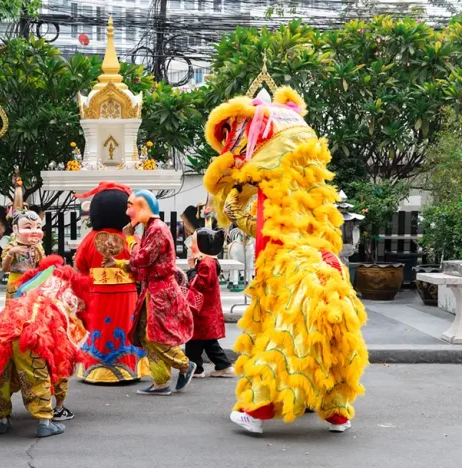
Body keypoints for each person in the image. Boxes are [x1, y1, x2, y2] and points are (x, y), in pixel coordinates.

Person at [202, 85, 368, 434]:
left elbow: (260, 225)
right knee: (333, 337)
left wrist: (233, 201)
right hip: (327, 261)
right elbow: (261, 223)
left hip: (289, 265)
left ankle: (257, 408)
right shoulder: (311, 198)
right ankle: (336, 411)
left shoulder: (271, 196)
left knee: (283, 334)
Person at [0, 256, 92, 438]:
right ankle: (45, 421)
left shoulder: (32, 286)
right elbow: (62, 363)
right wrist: (60, 403)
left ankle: (1, 419)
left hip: (8, 323)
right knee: (38, 372)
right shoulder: (68, 297)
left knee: (4, 373)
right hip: (35, 329)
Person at [104, 190, 195, 396]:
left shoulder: (158, 229)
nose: (128, 212)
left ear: (143, 208)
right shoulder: (149, 228)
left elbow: (142, 259)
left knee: (154, 336)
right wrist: (118, 262)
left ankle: (184, 364)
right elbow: (143, 266)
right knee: (145, 335)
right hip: (151, 291)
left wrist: (129, 239)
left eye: (131, 207)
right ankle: (161, 381)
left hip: (161, 292)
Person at [73, 182, 145, 384]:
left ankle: (96, 369)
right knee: (126, 328)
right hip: (127, 294)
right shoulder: (131, 239)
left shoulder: (89, 239)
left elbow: (80, 268)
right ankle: (127, 367)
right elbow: (141, 266)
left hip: (96, 294)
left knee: (99, 329)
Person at [185, 228, 233, 378]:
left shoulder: (206, 263)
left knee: (195, 340)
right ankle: (222, 365)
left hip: (203, 310)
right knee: (207, 341)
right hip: (205, 310)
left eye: (193, 243)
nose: (191, 246)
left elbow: (199, 284)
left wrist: (192, 270)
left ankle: (196, 368)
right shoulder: (209, 261)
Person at [1, 179, 45, 303]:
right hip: (15, 283)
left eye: (38, 227)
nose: (34, 231)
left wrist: (39, 251)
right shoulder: (12, 245)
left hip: (33, 282)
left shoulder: (37, 246)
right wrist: (11, 253)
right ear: (16, 229)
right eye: (28, 227)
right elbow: (4, 269)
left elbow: (43, 266)